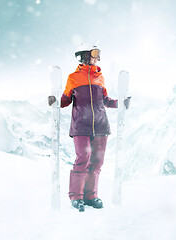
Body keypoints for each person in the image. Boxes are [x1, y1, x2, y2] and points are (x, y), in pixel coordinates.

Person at [48, 44, 130, 211]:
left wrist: (120, 104)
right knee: (83, 158)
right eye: (94, 53)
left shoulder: (99, 77)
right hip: (81, 126)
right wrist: (55, 101)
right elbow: (66, 100)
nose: (97, 57)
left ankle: (90, 196)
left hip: (101, 126)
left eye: (98, 53)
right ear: (84, 55)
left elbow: (105, 100)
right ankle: (76, 197)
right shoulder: (73, 78)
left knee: (97, 162)